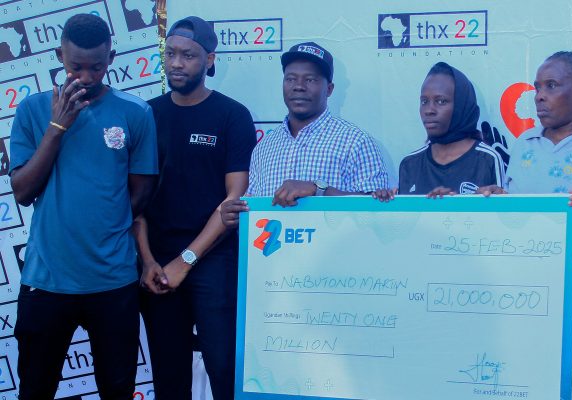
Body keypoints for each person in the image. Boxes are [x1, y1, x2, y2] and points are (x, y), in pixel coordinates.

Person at [9, 13, 158, 399]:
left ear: (111, 58)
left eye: (97, 67)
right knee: (35, 390)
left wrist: (103, 227)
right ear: (60, 56)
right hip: (47, 280)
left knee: (118, 390)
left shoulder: (135, 112)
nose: (87, 77)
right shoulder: (32, 110)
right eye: (76, 67)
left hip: (113, 281)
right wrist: (57, 127)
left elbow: (141, 192)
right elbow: (22, 192)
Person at [480, 51, 572, 400]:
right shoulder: (523, 147)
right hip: (525, 284)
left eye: (551, 86)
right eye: (537, 87)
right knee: (528, 380)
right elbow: (516, 220)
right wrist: (498, 202)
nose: (539, 97)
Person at [133, 16, 256, 400]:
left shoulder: (232, 115)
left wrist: (186, 260)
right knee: (169, 376)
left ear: (209, 60)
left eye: (188, 55)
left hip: (214, 259)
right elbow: (135, 200)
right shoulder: (146, 114)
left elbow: (234, 199)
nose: (176, 63)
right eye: (170, 53)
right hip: (156, 264)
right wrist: (148, 261)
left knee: (224, 370)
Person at [221, 42, 388, 224]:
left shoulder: (356, 142)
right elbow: (255, 214)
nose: (298, 86)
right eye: (290, 79)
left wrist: (318, 190)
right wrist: (237, 216)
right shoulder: (264, 148)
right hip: (276, 243)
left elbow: (378, 213)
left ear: (329, 89)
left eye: (310, 80)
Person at [375, 62, 504, 201]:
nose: (429, 110)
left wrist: (456, 204)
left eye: (441, 101)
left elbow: (499, 212)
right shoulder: (409, 164)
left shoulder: (487, 159)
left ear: (461, 105)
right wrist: (384, 204)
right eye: (424, 102)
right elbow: (405, 214)